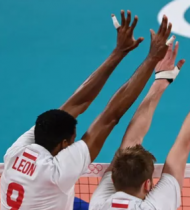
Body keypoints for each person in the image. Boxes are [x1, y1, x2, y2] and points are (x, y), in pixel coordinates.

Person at [0, 10, 171, 210]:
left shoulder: (16, 153)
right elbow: (110, 117)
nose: (75, 141)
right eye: (73, 139)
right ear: (63, 144)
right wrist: (151, 59)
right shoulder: (56, 172)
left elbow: (74, 105)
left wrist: (119, 52)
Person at [88, 40, 190, 210]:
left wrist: (160, 82)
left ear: (113, 179)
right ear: (147, 184)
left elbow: (135, 140)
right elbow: (184, 140)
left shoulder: (98, 204)